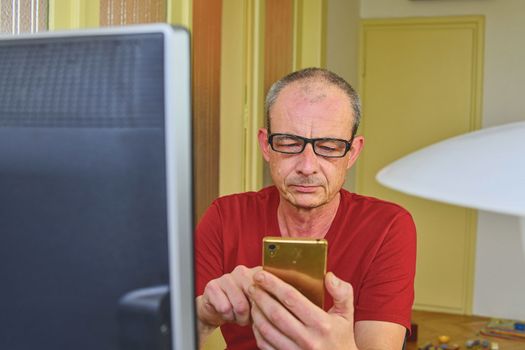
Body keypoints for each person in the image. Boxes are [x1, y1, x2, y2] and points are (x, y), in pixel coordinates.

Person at [195, 68, 416, 350]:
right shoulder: (225, 216)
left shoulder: (389, 225)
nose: (307, 166)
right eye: (289, 144)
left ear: (352, 152)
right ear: (266, 146)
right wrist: (204, 315)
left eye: (328, 147)